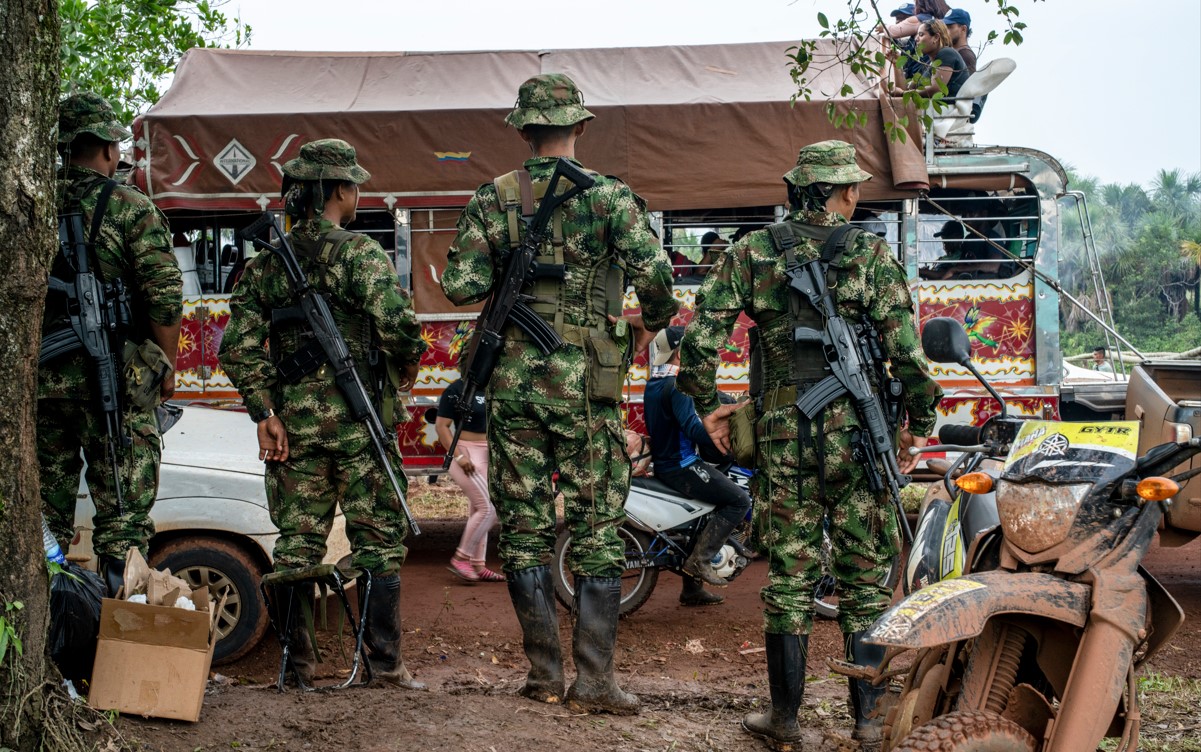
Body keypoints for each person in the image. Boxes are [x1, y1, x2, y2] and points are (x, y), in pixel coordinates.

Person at [678, 140, 942, 750]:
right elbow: (909, 357)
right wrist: (915, 427)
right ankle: (869, 721)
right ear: (845, 192)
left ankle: (785, 721)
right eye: (855, 189)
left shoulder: (751, 251)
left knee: (791, 574)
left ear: (799, 188)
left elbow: (698, 345)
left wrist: (708, 403)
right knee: (864, 578)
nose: (858, 197)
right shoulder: (874, 258)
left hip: (782, 438)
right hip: (857, 438)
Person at [441, 73, 677, 715]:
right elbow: (658, 284)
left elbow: (460, 285)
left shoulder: (493, 198)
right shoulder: (611, 198)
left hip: (514, 392)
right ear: (580, 125)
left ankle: (543, 675)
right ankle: (595, 682)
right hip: (589, 391)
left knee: (522, 530)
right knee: (598, 529)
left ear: (523, 130)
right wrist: (636, 331)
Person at [219, 138, 428, 688]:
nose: (360, 193)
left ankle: (298, 669)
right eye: (354, 183)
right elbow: (401, 328)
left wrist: (264, 409)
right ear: (338, 190)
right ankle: (384, 668)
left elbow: (236, 346)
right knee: (379, 544)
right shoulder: (362, 255)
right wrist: (405, 369)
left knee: (296, 547)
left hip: (296, 432)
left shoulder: (265, 267)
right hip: (363, 428)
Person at [41, 92, 183, 596]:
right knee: (123, 519)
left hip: (40, 388)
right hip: (114, 384)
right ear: (105, 148)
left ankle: (48, 631)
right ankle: (114, 641)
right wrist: (164, 366)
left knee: (43, 517)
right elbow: (165, 298)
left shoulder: (30, 201)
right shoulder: (128, 206)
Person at [644, 326, 752, 606]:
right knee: (739, 500)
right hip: (682, 465)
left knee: (706, 512)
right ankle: (701, 561)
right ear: (681, 352)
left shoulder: (656, 382)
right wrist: (726, 429)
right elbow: (694, 429)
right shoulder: (679, 386)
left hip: (667, 463)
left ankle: (691, 590)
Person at [435, 378, 505, 583]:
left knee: (478, 508)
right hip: (464, 453)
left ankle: (478, 565)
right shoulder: (457, 389)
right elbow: (441, 427)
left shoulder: (495, 385)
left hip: (486, 454)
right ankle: (461, 558)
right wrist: (458, 456)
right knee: (489, 509)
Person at [888, 19, 969, 99]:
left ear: (936, 37)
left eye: (921, 34)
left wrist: (903, 94)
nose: (916, 39)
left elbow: (936, 89)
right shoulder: (927, 63)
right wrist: (897, 65)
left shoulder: (947, 53)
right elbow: (907, 89)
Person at [943, 8, 977, 74]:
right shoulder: (950, 51)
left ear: (963, 29)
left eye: (950, 27)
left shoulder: (966, 54)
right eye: (945, 27)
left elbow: (968, 83)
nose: (945, 31)